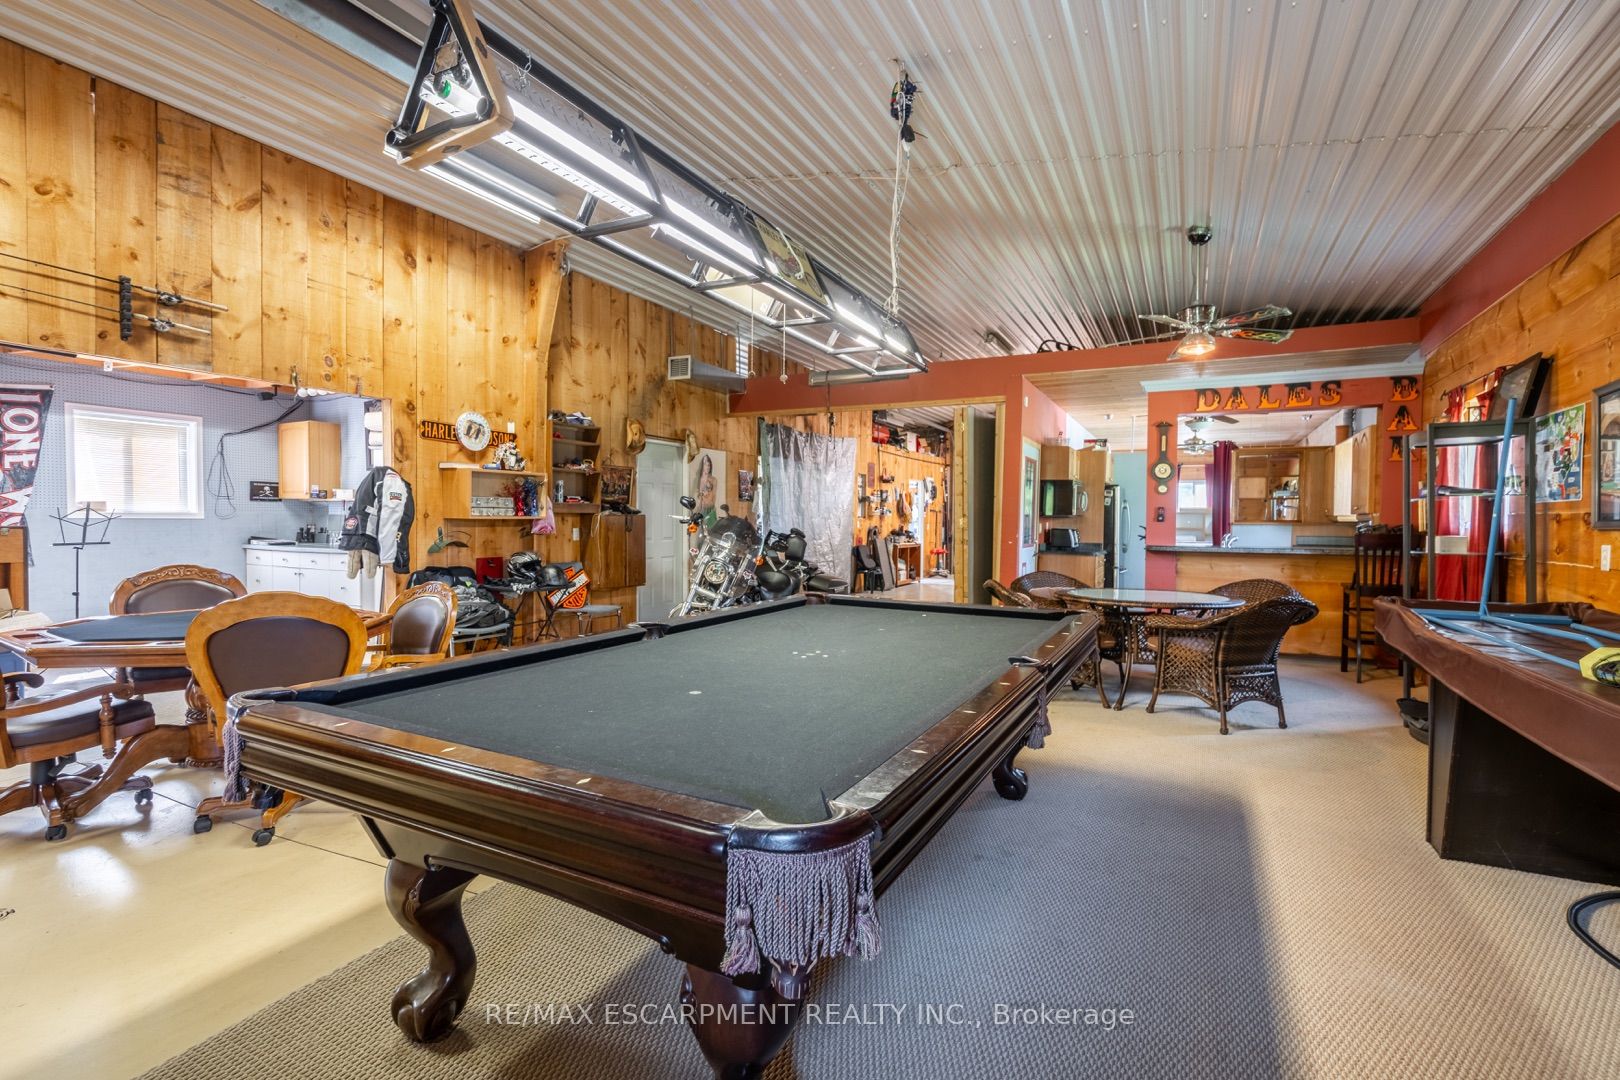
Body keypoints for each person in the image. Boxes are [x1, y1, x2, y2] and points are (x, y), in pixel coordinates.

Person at [694, 453, 718, 529]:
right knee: (700, 531)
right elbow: (698, 496)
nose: (707, 467)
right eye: (705, 465)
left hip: (710, 509)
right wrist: (701, 494)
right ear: (702, 466)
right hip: (701, 509)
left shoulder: (713, 479)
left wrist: (712, 510)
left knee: (711, 530)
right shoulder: (700, 479)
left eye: (709, 465)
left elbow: (714, 495)